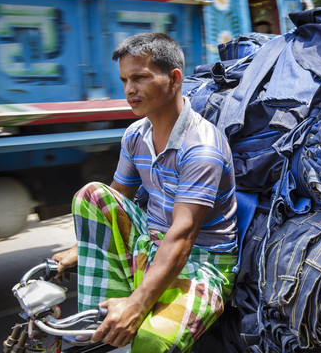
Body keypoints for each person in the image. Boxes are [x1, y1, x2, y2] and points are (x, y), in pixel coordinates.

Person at [52, 32, 238, 351]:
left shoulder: (201, 147)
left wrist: (138, 305)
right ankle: (106, 322)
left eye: (139, 77)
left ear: (174, 79)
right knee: (91, 194)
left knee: (152, 341)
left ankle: (129, 313)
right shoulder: (136, 135)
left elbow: (182, 235)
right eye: (125, 79)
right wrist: (79, 248)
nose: (129, 90)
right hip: (150, 242)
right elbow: (116, 197)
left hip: (201, 259)